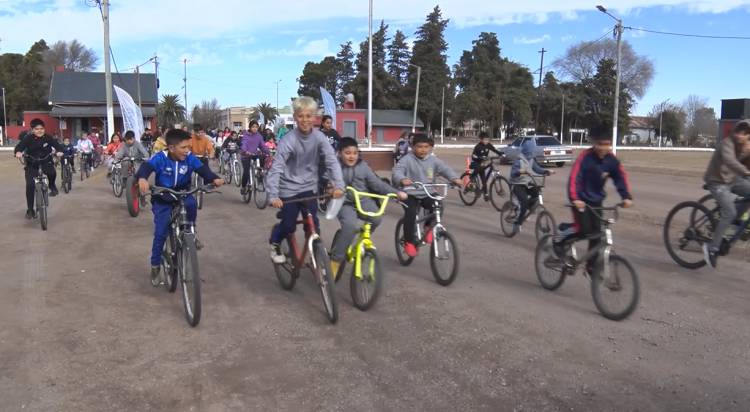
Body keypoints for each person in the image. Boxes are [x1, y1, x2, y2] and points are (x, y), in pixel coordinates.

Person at [136, 129, 224, 284]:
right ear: (171, 148)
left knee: (191, 205)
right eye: (183, 147)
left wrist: (214, 178)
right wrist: (142, 178)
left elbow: (203, 170)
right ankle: (155, 265)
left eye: (188, 147)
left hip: (183, 193)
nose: (187, 151)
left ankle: (191, 232)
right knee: (161, 232)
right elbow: (146, 167)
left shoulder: (189, 158)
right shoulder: (160, 158)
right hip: (163, 196)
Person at [267, 96, 345, 263]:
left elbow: (331, 160)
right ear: (295, 117)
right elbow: (276, 168)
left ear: (315, 117)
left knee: (314, 227)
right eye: (301, 115)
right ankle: (275, 242)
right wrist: (273, 195)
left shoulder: (319, 138)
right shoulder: (289, 140)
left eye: (309, 116)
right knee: (288, 225)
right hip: (289, 189)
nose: (305, 120)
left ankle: (318, 260)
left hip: (310, 188)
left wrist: (338, 185)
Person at [552, 125, 633, 272]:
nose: (604, 148)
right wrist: (575, 198)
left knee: (597, 234)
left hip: (596, 202)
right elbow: (574, 178)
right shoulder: (585, 157)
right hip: (580, 200)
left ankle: (590, 266)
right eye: (601, 144)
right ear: (594, 144)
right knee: (584, 229)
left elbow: (620, 178)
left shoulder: (611, 160)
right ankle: (560, 236)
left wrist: (626, 197)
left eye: (607, 144)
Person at [329, 137, 407, 278]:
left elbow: (377, 184)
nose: (351, 156)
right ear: (339, 153)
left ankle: (360, 240)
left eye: (354, 153)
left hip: (363, 201)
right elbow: (327, 181)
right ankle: (335, 261)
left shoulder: (363, 167)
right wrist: (330, 189)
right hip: (345, 203)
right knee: (350, 226)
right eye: (347, 153)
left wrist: (397, 193)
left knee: (376, 218)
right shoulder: (335, 167)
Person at [392, 133, 463, 258]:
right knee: (411, 213)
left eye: (426, 147)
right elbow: (397, 172)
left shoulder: (433, 160)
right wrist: (402, 179)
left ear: (430, 147)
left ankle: (428, 227)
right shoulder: (406, 160)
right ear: (413, 147)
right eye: (419, 147)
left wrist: (455, 179)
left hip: (427, 192)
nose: (423, 150)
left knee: (438, 205)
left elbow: (445, 169)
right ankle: (409, 242)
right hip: (410, 193)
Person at [702, 120, 750, 268]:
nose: (743, 137)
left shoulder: (743, 146)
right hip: (717, 181)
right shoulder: (727, 144)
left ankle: (734, 223)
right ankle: (712, 248)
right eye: (742, 134)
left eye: (746, 135)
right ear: (737, 132)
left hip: (732, 180)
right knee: (729, 211)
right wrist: (747, 171)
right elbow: (730, 161)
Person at [13, 119, 64, 219]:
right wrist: (18, 152)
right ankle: (30, 210)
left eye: (41, 129)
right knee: (30, 186)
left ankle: (52, 186)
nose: (40, 131)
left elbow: (58, 146)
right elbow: (19, 147)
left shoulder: (48, 138)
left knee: (52, 173)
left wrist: (59, 151)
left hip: (46, 162)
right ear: (32, 130)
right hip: (32, 165)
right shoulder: (28, 138)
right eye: (37, 129)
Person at [509, 139, 553, 234]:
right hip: (517, 184)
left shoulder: (531, 159)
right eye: (531, 151)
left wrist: (546, 171)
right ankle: (518, 223)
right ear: (527, 150)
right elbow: (512, 174)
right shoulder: (519, 161)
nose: (532, 153)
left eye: (533, 151)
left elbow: (537, 169)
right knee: (524, 202)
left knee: (536, 193)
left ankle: (525, 210)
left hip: (527, 183)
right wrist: (520, 172)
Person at [469, 132, 503, 200]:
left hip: (482, 164)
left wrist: (501, 154)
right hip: (475, 163)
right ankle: (472, 176)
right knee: (480, 167)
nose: (486, 141)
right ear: (481, 140)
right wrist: (480, 158)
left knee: (484, 181)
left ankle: (486, 194)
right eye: (485, 140)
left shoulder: (488, 145)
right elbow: (473, 156)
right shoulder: (478, 147)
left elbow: (494, 149)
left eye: (487, 140)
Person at [240, 120, 270, 195]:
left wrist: (268, 152)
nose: (255, 128)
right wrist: (245, 151)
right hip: (246, 155)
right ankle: (244, 187)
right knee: (246, 172)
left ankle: (259, 178)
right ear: (250, 127)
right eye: (253, 127)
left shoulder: (258, 136)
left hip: (254, 154)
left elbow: (262, 146)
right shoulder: (246, 135)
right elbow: (244, 144)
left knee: (261, 161)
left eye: (256, 127)